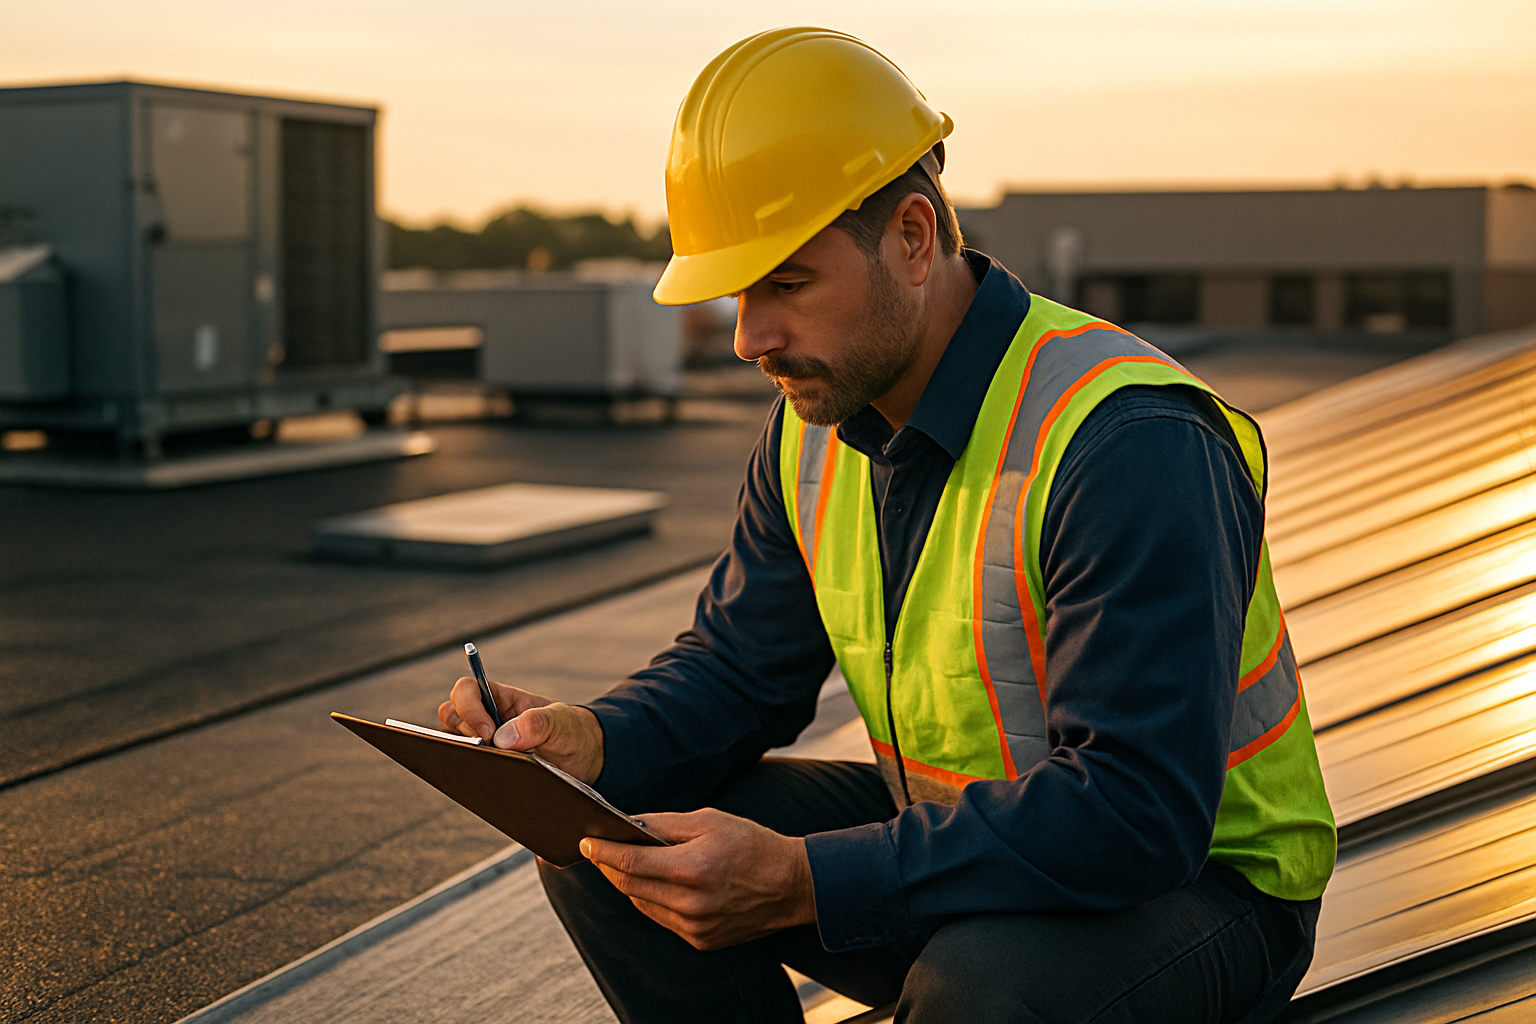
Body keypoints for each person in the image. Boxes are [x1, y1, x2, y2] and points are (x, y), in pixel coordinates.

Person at [440, 27, 1336, 1024]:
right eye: (738, 292)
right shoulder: (810, 429)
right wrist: (593, 741)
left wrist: (805, 878)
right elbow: (740, 672)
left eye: (786, 282)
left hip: (1202, 887)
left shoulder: (1126, 439)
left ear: (913, 237)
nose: (749, 339)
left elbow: (1137, 811)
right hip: (965, 830)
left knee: (982, 989)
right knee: (613, 847)